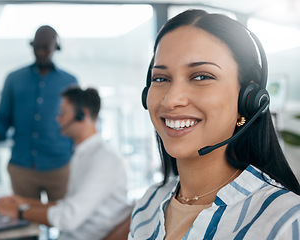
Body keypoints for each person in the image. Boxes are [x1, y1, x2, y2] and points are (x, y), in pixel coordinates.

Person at [129, 9, 300, 240]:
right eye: (160, 78)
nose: (171, 100)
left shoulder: (286, 221)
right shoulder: (148, 204)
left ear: (248, 99)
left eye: (201, 76)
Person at [0, 86, 132, 240]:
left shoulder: (105, 159)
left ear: (80, 115)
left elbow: (67, 218)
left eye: (62, 112)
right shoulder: (81, 154)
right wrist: (24, 202)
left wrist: (18, 212)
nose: (57, 119)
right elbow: (67, 205)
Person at [0, 25, 78, 201]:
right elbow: (2, 120)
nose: (41, 52)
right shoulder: (14, 79)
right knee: (26, 225)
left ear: (56, 47)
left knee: (66, 222)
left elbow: (77, 124)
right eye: (36, 47)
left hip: (60, 166)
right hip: (22, 168)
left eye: (46, 47)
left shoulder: (70, 81)